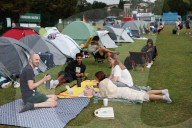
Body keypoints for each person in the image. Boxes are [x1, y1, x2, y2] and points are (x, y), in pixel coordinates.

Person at [95, 71, 172, 103]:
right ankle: (163, 91)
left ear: (98, 77)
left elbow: (101, 94)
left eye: (96, 78)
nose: (95, 79)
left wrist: (94, 93)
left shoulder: (102, 83)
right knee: (144, 93)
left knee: (144, 96)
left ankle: (164, 97)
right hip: (124, 90)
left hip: (123, 93)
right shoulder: (107, 80)